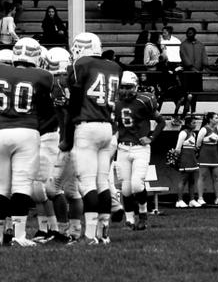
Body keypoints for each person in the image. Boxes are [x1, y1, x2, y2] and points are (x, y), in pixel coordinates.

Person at [0, 36, 54, 246]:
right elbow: (48, 111)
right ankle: (19, 236)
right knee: (21, 185)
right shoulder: (43, 76)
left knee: (0, 188)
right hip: (26, 132)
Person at [67, 31, 123, 243]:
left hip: (87, 126)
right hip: (107, 127)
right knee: (103, 182)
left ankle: (90, 235)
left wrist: (69, 128)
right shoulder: (114, 67)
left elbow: (75, 99)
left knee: (87, 183)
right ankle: (103, 233)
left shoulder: (82, 64)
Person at [114, 70, 159, 230]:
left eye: (129, 87)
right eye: (123, 87)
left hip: (140, 148)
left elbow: (161, 121)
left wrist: (151, 137)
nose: (125, 90)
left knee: (137, 185)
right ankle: (129, 220)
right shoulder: (115, 103)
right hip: (122, 148)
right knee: (126, 189)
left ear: (136, 87)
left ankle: (143, 214)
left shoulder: (144, 101)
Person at [196, 112, 218, 205]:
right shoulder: (204, 129)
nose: (217, 120)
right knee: (202, 176)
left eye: (217, 118)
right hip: (205, 153)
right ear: (210, 119)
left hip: (214, 154)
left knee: (216, 177)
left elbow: (217, 141)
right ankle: (200, 198)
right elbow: (198, 143)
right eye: (215, 118)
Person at [179, 26, 209, 115]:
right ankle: (186, 111)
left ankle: (193, 111)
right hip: (188, 72)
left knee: (195, 93)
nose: (189, 35)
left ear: (194, 34)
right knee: (187, 92)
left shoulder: (200, 44)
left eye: (191, 33)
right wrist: (191, 67)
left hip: (198, 72)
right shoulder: (183, 44)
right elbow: (184, 56)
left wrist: (205, 65)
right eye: (188, 33)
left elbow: (204, 55)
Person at [173, 116, 201, 207]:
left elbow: (194, 147)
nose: (195, 125)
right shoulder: (183, 133)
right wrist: (179, 159)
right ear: (188, 124)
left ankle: (192, 200)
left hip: (192, 158)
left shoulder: (194, 134)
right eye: (193, 123)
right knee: (183, 180)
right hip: (185, 158)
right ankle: (179, 201)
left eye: (195, 123)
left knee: (192, 180)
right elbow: (178, 148)